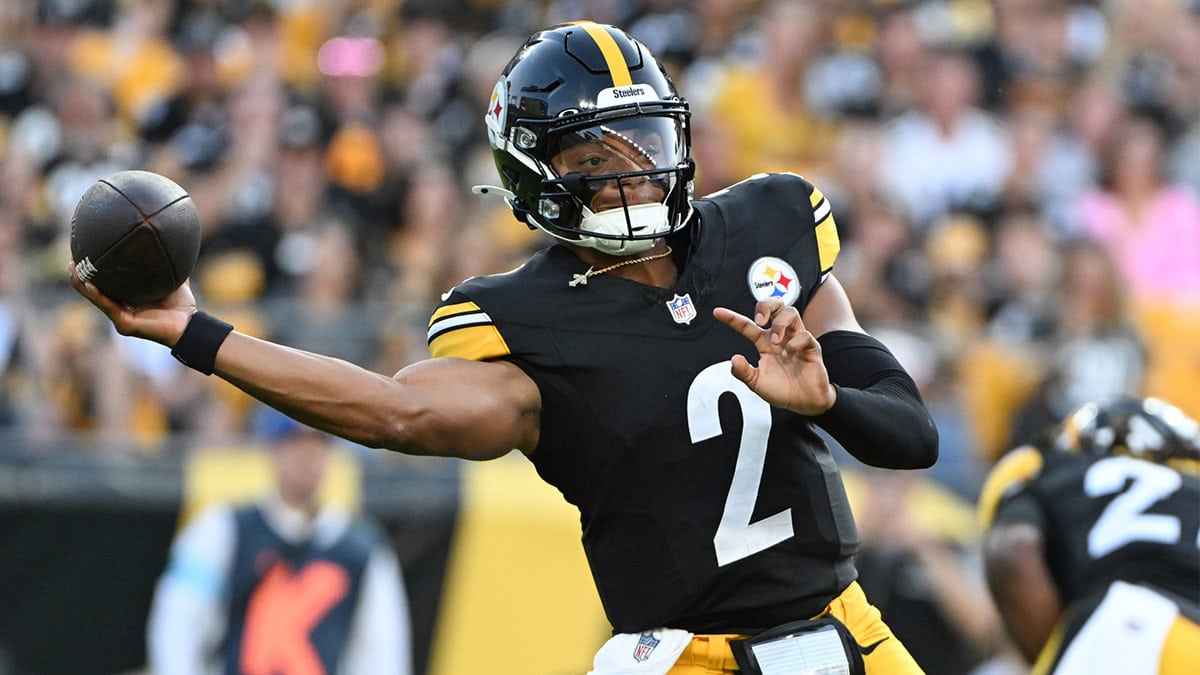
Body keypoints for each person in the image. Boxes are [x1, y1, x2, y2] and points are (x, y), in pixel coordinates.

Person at [74, 22, 938, 675]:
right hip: (689, 657)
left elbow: (910, 434)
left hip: (846, 626)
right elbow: (395, 412)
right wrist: (196, 333)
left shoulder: (767, 229)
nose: (633, 177)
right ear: (535, 174)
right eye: (597, 158)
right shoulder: (531, 321)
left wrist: (830, 402)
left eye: (647, 145)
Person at [145, 408, 412, 675]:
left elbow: (383, 650)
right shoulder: (221, 530)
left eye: (317, 444)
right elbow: (177, 626)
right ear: (271, 449)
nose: (307, 457)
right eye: (295, 443)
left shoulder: (361, 547)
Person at [978, 396, 1200, 674]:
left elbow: (1011, 552)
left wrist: (1053, 650)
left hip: (1128, 628)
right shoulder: (1192, 488)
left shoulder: (1048, 467)